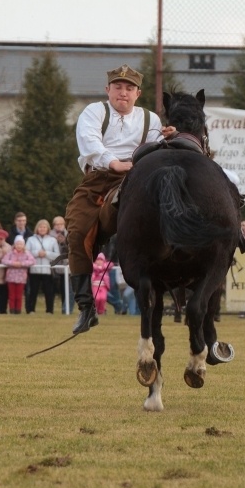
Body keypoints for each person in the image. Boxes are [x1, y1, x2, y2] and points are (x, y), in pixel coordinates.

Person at [65, 63, 167, 334]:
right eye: (118, 87)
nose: (123, 92)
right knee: (76, 232)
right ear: (107, 89)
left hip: (136, 178)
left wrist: (170, 138)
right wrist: (113, 162)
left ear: (138, 93)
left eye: (129, 88)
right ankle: (86, 307)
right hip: (98, 180)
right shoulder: (95, 111)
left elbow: (157, 149)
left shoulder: (151, 120)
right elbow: (89, 142)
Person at [25, 219, 60, 314]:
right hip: (34, 269)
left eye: (44, 227)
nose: (42, 229)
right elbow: (26, 252)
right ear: (37, 228)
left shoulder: (52, 240)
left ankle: (49, 310)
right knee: (33, 291)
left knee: (49, 291)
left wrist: (46, 253)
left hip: (47, 270)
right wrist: (36, 253)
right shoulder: (31, 239)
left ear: (47, 228)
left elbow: (57, 254)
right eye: (40, 227)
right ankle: (30, 309)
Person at [1, 236, 35, 314]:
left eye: (21, 244)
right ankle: (12, 309)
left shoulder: (27, 253)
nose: (19, 246)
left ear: (23, 245)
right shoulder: (10, 253)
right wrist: (13, 263)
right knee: (11, 295)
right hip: (11, 277)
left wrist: (21, 264)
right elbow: (4, 260)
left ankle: (18, 310)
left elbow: (32, 261)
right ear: (14, 245)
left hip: (21, 278)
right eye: (17, 244)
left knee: (19, 296)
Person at [51, 215, 73, 314]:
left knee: (68, 290)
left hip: (68, 267)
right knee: (56, 289)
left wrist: (64, 242)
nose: (59, 226)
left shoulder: (70, 234)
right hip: (55, 267)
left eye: (61, 224)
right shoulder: (50, 235)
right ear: (53, 225)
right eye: (57, 224)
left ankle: (66, 309)